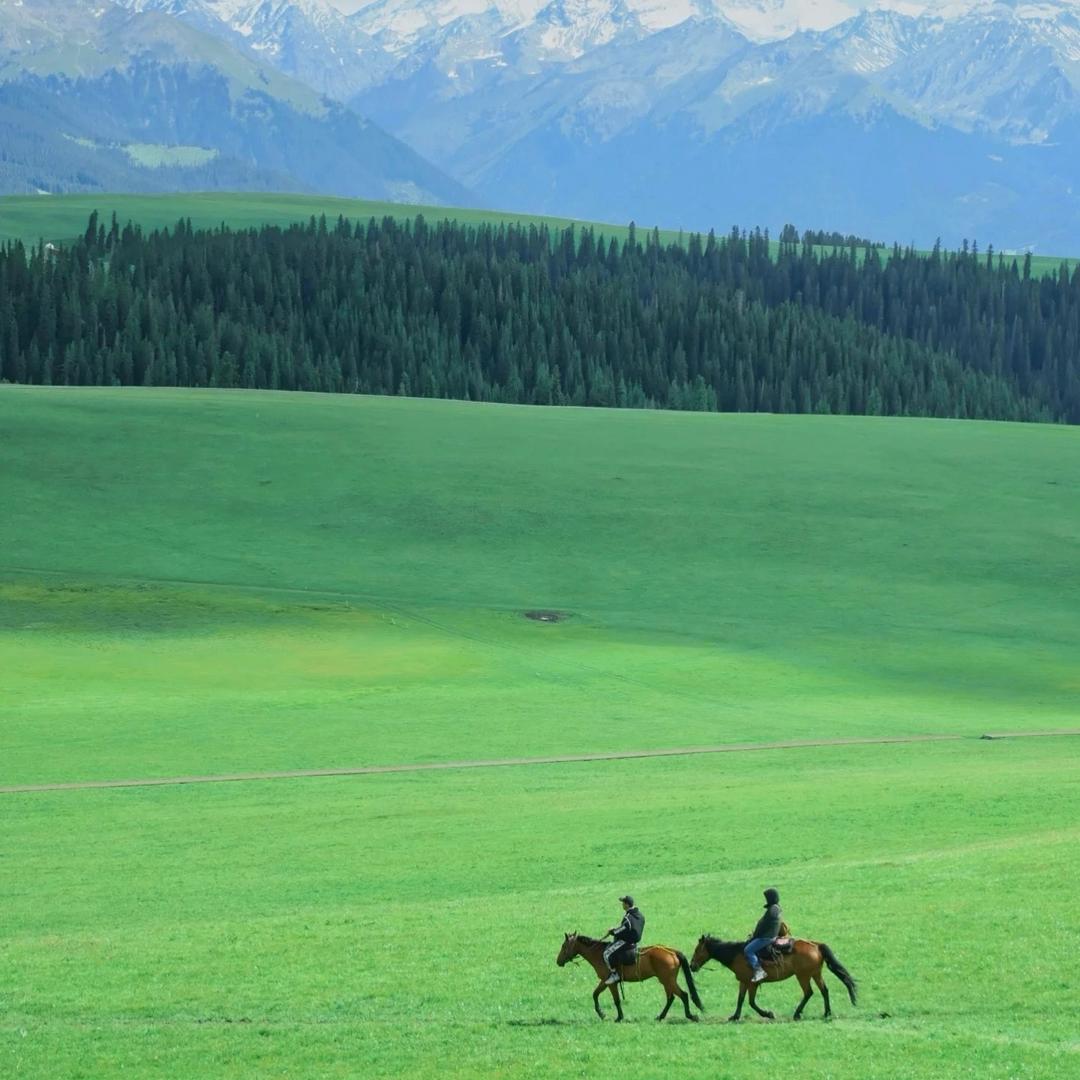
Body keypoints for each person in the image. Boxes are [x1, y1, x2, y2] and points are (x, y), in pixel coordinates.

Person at [603, 895, 645, 985]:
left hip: (626, 942)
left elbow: (622, 929)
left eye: (623, 903)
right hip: (636, 942)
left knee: (606, 954)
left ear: (627, 904)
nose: (622, 904)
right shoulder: (640, 915)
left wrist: (612, 931)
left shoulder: (628, 918)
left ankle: (614, 974)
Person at [745, 887, 783, 983]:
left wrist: (755, 936)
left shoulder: (773, 910)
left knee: (748, 950)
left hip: (766, 937)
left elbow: (764, 925)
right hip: (770, 936)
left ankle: (759, 972)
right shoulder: (776, 908)